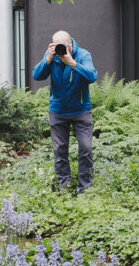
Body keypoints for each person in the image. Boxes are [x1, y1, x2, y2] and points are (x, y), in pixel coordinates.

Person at [32, 30, 98, 193]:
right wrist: (47, 59)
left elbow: (92, 76)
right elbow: (36, 75)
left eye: (62, 45)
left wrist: (72, 62)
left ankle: (85, 188)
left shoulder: (82, 55)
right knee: (60, 150)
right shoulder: (51, 55)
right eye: (55, 45)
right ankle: (65, 186)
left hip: (80, 110)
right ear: (52, 45)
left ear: (70, 44)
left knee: (85, 148)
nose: (59, 48)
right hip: (58, 111)